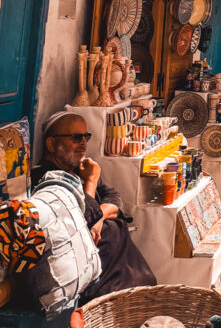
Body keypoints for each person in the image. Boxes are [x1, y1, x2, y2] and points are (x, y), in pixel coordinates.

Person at [32, 112, 156, 301]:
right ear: (51, 145)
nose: (83, 143)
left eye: (86, 137)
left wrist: (100, 217)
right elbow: (78, 224)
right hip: (101, 288)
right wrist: (91, 181)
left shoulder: (78, 169)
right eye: (76, 137)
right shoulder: (46, 181)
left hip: (127, 277)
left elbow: (113, 198)